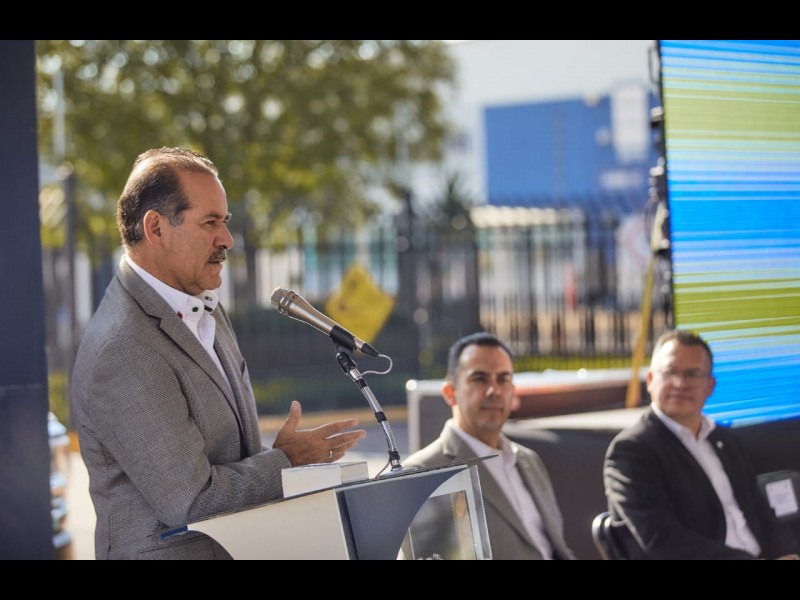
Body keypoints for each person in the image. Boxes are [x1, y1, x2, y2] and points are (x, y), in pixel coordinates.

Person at [70, 147, 367, 559]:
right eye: (210, 223)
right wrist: (286, 460)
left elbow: (235, 455)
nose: (227, 239)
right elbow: (191, 501)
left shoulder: (204, 306)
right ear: (155, 228)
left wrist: (284, 463)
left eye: (225, 222)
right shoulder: (122, 348)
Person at [604, 329, 800, 560]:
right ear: (650, 380)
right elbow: (663, 541)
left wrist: (788, 553)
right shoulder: (632, 451)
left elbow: (760, 511)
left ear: (710, 386)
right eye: (670, 372)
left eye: (692, 374)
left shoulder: (725, 440)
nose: (680, 383)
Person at [403, 332, 576, 560]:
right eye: (479, 379)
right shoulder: (422, 474)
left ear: (513, 391)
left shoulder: (528, 460)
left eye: (503, 379)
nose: (494, 390)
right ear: (450, 393)